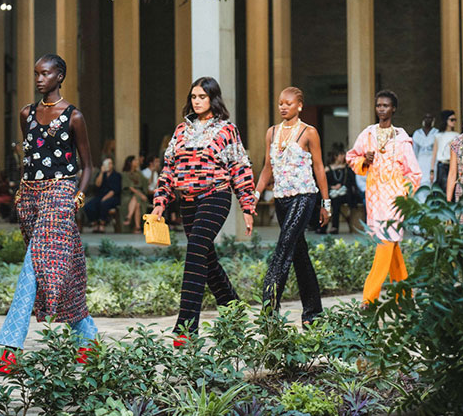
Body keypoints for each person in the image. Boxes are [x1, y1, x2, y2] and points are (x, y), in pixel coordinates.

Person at [0, 54, 97, 374]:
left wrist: (75, 200)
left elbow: (88, 166)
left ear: (60, 76)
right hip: (30, 197)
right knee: (55, 268)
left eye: (46, 73)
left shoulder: (73, 116)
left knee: (32, 266)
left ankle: (11, 347)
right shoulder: (26, 113)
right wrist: (22, 191)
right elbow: (29, 157)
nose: (39, 79)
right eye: (36, 73)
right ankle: (87, 340)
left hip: (60, 192)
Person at [152, 76, 255, 345]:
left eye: (202, 97)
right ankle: (233, 308)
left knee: (195, 251)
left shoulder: (226, 130)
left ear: (213, 99)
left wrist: (247, 206)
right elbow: (168, 169)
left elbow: (240, 167)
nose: (197, 102)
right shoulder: (180, 131)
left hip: (216, 196)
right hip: (187, 201)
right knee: (206, 260)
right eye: (194, 97)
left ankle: (186, 329)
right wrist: (160, 202)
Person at [254, 87, 329, 326]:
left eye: (288, 103)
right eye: (280, 103)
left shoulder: (309, 132)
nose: (283, 107)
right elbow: (268, 167)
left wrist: (325, 203)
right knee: (299, 255)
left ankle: (269, 313)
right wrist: (255, 195)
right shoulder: (272, 133)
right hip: (281, 198)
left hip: (305, 197)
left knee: (283, 249)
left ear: (299, 105)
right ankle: (313, 313)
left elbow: (319, 167)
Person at [346, 90, 422, 305]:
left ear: (393, 109)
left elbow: (414, 173)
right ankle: (404, 296)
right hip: (374, 199)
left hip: (395, 201)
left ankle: (369, 298)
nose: (381, 109)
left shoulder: (402, 138)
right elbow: (351, 157)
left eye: (386, 106)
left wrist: (404, 195)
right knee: (392, 244)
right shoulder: (368, 134)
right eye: (378, 105)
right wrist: (365, 161)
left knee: (384, 243)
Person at [318, 146, 357, 235]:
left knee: (336, 201)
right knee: (325, 201)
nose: (342, 157)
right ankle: (323, 226)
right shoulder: (328, 168)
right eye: (340, 155)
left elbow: (351, 182)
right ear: (335, 156)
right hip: (331, 191)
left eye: (343, 155)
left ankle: (334, 227)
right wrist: (332, 187)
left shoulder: (346, 168)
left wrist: (341, 186)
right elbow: (322, 181)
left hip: (344, 193)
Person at [82, 158, 121, 233]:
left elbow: (114, 190)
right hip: (100, 195)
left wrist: (105, 198)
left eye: (110, 163)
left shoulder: (116, 175)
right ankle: (95, 223)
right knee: (89, 206)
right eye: (107, 163)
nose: (109, 165)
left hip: (112, 197)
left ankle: (102, 223)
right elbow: (97, 184)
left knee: (104, 204)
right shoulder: (101, 174)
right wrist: (102, 173)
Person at [412, 113, 438, 203]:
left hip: (432, 163)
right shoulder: (417, 133)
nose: (428, 120)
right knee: (420, 185)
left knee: (430, 185)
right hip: (420, 162)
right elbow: (414, 152)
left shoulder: (436, 133)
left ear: (433, 120)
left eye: (430, 118)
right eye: (426, 118)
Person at [431, 110, 459, 193]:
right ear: (446, 120)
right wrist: (432, 171)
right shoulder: (438, 135)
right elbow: (434, 154)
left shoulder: (457, 135)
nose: (454, 122)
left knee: (453, 189)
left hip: (453, 165)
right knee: (443, 190)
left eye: (455, 120)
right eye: (451, 119)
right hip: (442, 165)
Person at [121, 155, 150, 233]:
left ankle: (129, 217)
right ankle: (137, 227)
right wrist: (141, 195)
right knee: (137, 200)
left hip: (137, 195)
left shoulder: (139, 173)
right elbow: (130, 187)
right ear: (130, 163)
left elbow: (147, 182)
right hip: (128, 195)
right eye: (135, 161)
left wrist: (153, 170)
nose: (137, 162)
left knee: (137, 202)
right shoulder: (125, 174)